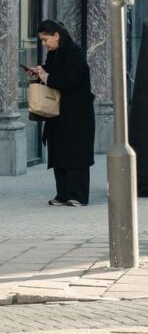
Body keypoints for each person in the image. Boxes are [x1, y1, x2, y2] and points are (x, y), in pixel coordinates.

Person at [29, 20, 95, 207]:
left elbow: (71, 79)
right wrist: (40, 73)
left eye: (45, 39)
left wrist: (47, 77)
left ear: (56, 35)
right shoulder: (54, 53)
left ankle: (77, 195)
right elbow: (51, 74)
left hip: (76, 113)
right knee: (59, 150)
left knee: (75, 153)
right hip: (59, 112)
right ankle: (63, 193)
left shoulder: (75, 52)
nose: (44, 44)